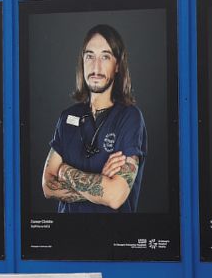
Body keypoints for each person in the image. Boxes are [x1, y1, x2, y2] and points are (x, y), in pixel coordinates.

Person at [42, 24, 146, 213]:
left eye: (105, 56)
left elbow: (115, 197)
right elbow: (47, 186)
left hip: (112, 238)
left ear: (117, 65)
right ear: (82, 61)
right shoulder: (68, 117)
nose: (96, 67)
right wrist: (100, 186)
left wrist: (63, 170)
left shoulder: (130, 117)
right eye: (90, 56)